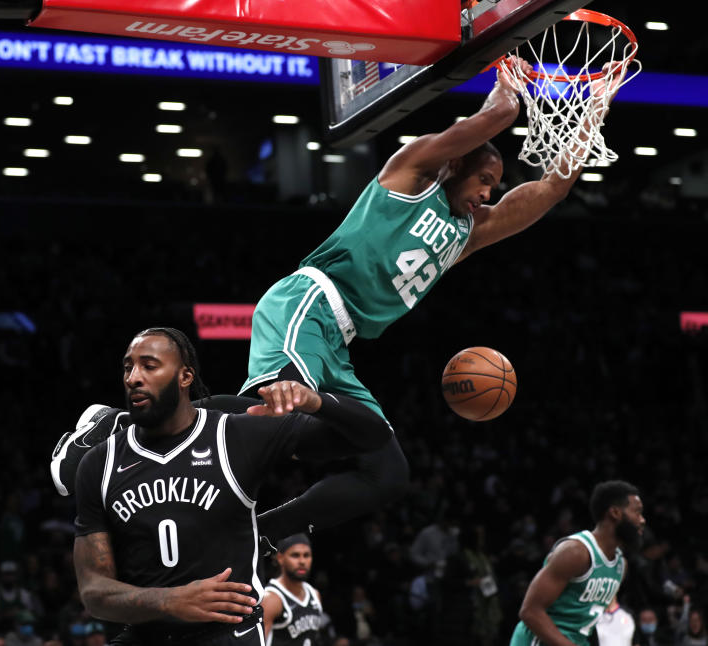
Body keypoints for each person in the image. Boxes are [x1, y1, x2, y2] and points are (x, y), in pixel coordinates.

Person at [234, 56, 630, 542]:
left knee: (386, 468)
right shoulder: (412, 172)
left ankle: (262, 534)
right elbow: (495, 118)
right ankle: (166, 424)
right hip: (308, 303)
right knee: (282, 406)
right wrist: (509, 79)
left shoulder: (468, 233)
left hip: (340, 344)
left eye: (495, 187)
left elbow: (553, 187)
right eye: (485, 180)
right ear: (457, 164)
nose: (489, 193)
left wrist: (595, 110)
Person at [71, 327, 391, 645]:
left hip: (226, 634)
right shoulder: (99, 464)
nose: (133, 377)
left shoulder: (236, 435)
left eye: (149, 365)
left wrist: (316, 401)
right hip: (145, 633)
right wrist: (168, 601)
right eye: (128, 367)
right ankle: (113, 422)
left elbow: (373, 437)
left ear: (185, 377)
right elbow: (93, 590)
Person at [509, 480, 645, 646]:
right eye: (637, 512)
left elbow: (586, 620)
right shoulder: (576, 552)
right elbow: (530, 611)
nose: (642, 520)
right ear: (615, 513)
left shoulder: (620, 566)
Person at [261, 534, 324, 646]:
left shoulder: (315, 594)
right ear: (280, 558)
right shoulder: (271, 598)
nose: (302, 561)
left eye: (306, 555)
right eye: (295, 555)